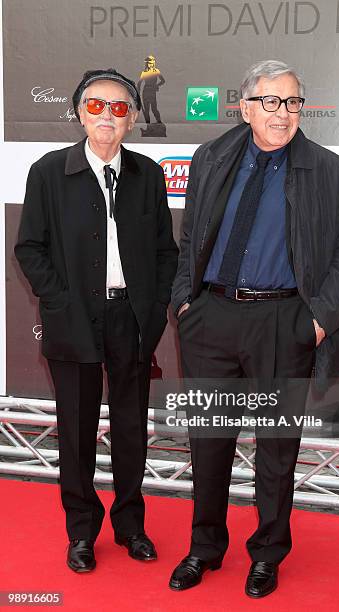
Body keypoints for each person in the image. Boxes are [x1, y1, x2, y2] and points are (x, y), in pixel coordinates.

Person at [170, 60, 339, 598]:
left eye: (293, 102)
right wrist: (185, 303)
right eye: (272, 102)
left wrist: (319, 321)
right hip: (211, 318)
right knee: (208, 442)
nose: (284, 114)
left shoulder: (331, 171)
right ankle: (204, 549)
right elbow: (191, 240)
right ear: (246, 105)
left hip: (285, 323)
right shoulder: (211, 158)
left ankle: (267, 554)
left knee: (278, 450)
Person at [15, 68, 178, 573]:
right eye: (96, 106)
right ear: (79, 113)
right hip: (73, 318)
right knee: (78, 430)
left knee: (131, 428)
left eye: (120, 107)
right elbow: (30, 248)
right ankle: (81, 532)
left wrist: (152, 310)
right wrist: (60, 301)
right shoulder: (48, 171)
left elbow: (164, 252)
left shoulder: (148, 174)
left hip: (131, 317)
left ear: (131, 118)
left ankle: (132, 527)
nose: (107, 115)